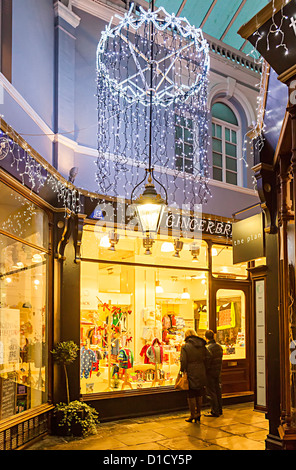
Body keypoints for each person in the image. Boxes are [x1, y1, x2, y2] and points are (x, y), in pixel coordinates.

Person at [180, 328, 211, 423]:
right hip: (201, 370)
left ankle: (192, 414)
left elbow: (183, 360)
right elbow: (209, 356)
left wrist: (182, 370)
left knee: (191, 394)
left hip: (191, 370)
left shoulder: (185, 347)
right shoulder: (202, 345)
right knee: (199, 392)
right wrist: (205, 367)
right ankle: (199, 413)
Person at [204, 329, 223, 417]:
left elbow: (207, 362)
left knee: (211, 392)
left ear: (206, 338)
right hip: (217, 371)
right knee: (217, 390)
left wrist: (205, 370)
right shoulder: (219, 347)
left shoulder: (208, 348)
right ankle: (219, 409)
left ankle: (214, 411)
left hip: (210, 372)